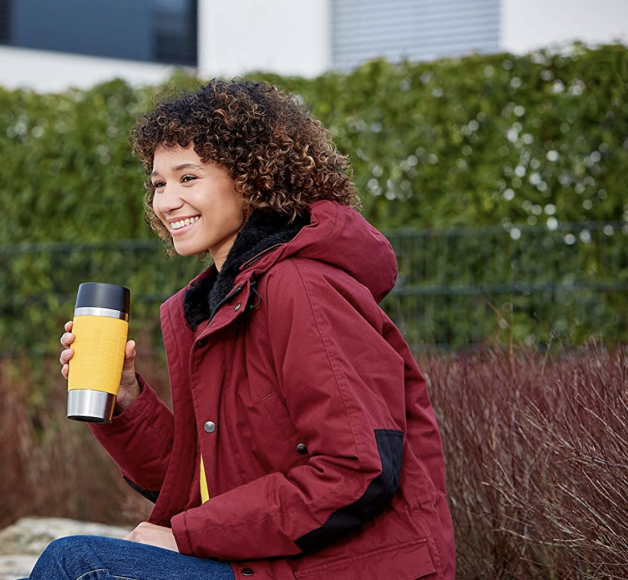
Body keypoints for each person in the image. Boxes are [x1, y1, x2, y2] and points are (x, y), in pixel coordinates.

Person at [25, 79, 455, 579]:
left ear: (253, 179)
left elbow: (357, 470)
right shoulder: (216, 306)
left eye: (188, 178)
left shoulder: (303, 286)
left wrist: (185, 536)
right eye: (159, 183)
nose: (166, 202)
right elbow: (198, 483)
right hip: (261, 564)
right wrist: (125, 402)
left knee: (78, 564)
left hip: (338, 570)